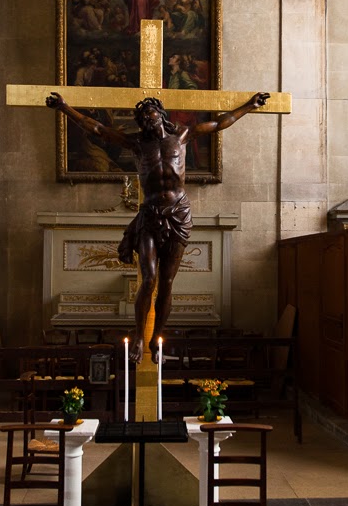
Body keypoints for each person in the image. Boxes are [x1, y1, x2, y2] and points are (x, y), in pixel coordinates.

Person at [46, 89, 269, 361]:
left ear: (160, 115)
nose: (145, 121)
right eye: (141, 119)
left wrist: (249, 105)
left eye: (149, 115)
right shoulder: (138, 144)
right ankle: (139, 337)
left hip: (178, 213)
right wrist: (65, 108)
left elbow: (221, 123)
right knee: (149, 278)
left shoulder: (182, 136)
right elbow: (98, 129)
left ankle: (156, 339)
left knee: (167, 282)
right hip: (151, 214)